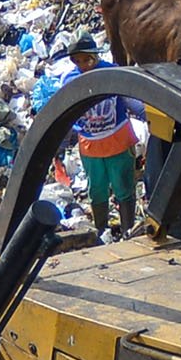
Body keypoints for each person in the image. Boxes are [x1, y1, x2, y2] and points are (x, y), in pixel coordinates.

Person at [64, 40, 143, 236]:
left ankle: (127, 230)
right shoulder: (71, 80)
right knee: (97, 189)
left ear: (95, 56)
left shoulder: (111, 73)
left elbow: (130, 100)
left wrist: (146, 114)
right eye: (78, 61)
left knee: (123, 187)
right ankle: (101, 230)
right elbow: (67, 111)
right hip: (91, 145)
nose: (83, 65)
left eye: (87, 60)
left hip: (118, 140)